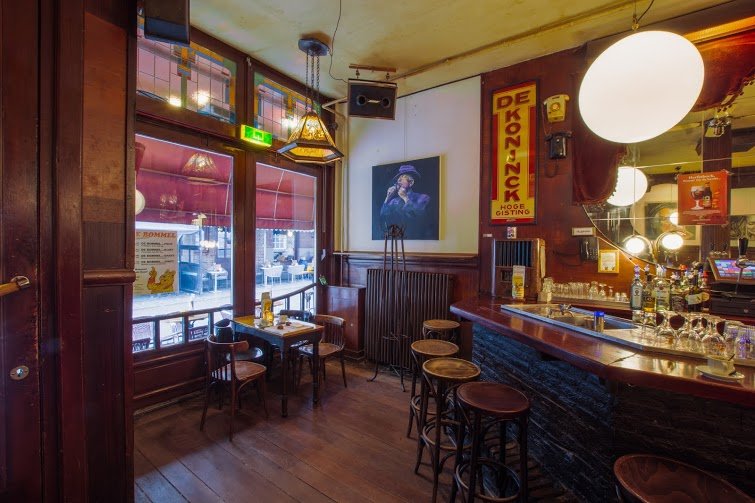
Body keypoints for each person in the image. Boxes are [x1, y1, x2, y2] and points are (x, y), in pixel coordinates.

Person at [379, 164, 431, 237]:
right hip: (398, 236)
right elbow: (383, 216)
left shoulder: (422, 198)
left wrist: (405, 198)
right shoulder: (394, 201)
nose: (398, 181)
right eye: (398, 179)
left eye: (402, 177)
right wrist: (388, 197)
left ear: (411, 182)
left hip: (415, 236)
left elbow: (417, 218)